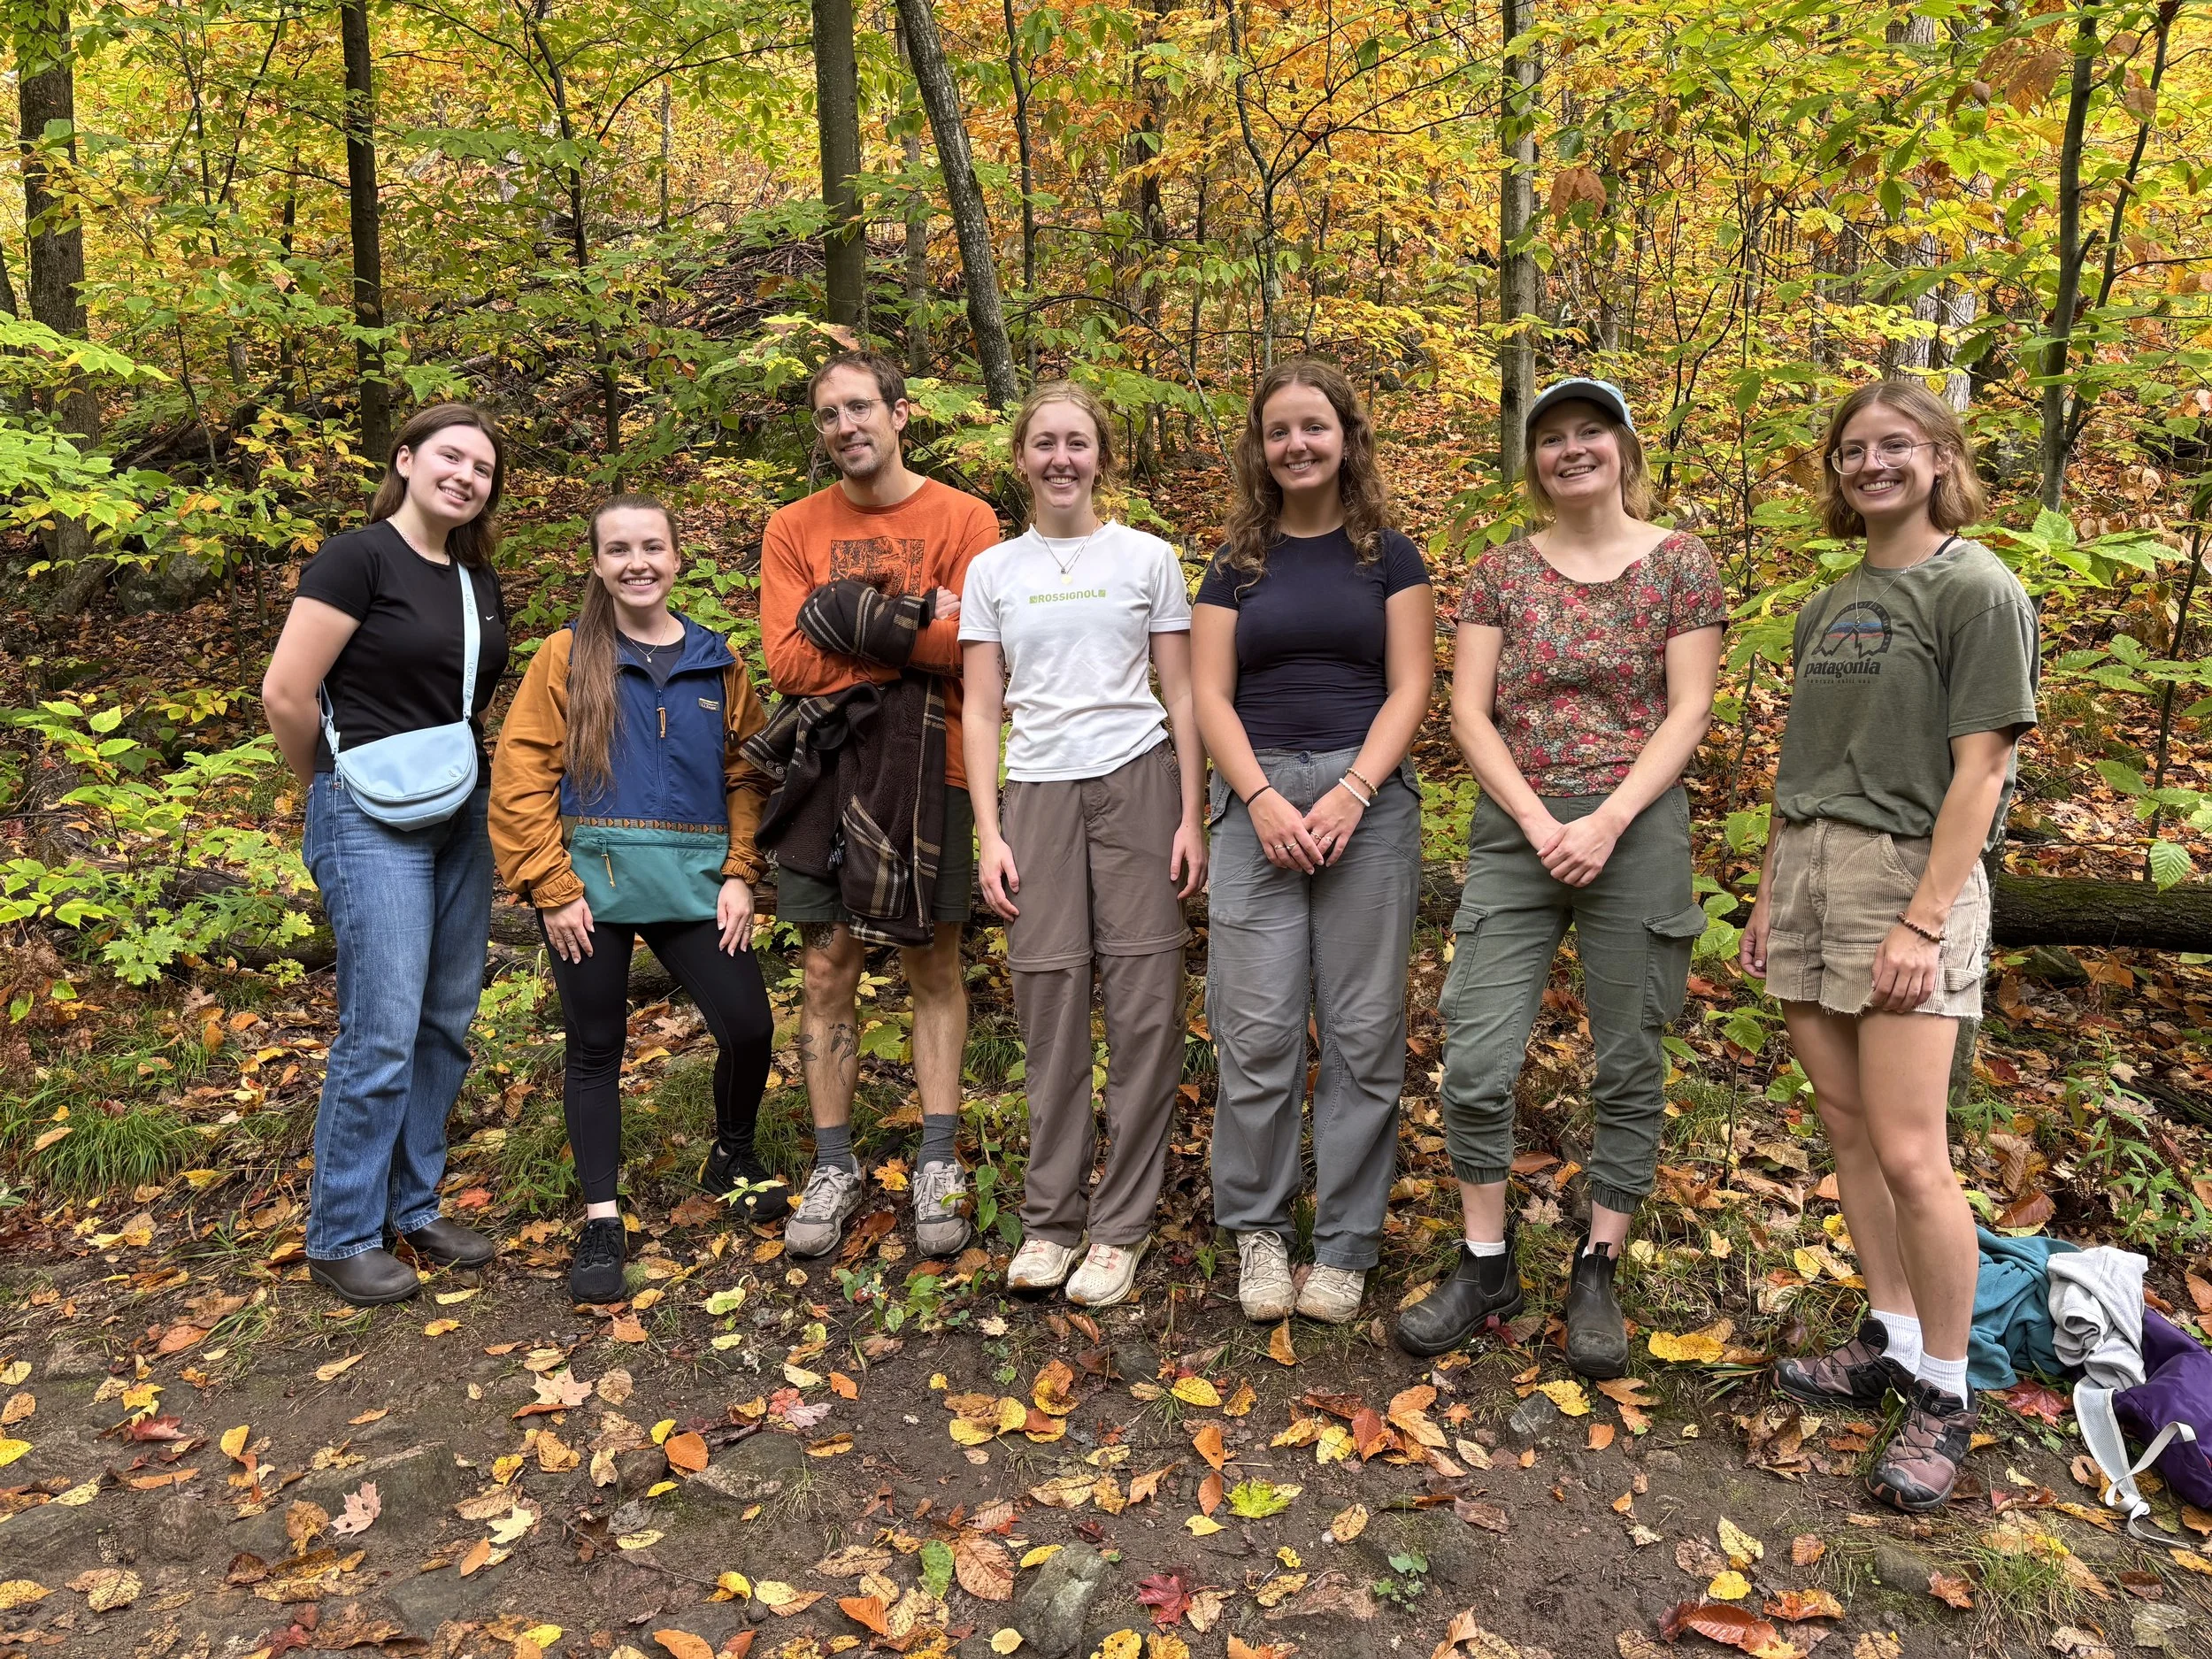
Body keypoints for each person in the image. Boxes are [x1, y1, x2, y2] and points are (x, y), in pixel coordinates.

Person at [1742, 380, 2038, 1510]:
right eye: (1852, 449)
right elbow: (1800, 765)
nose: (1870, 465)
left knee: (1915, 1152)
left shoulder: (1976, 587)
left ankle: (1947, 1394)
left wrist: (1923, 916)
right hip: (1810, 872)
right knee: (1848, 1131)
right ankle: (1893, 1340)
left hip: (1907, 878)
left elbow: (1984, 769)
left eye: (1894, 447)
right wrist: (1772, 893)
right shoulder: (1832, 604)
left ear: (1937, 459)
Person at [1393, 379, 1724, 1378]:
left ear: (1623, 448)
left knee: (1630, 1057)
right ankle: (1487, 1261)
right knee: (1476, 1056)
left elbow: (1689, 710)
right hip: (1517, 832)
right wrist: (1542, 823)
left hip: (1639, 830)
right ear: (1532, 462)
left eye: (1589, 433)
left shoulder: (1679, 563)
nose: (1570, 450)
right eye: (1551, 439)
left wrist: (1609, 819)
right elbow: (1466, 712)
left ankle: (1598, 1263)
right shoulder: (1499, 575)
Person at [489, 495, 782, 1303]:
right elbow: (521, 778)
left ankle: (732, 1151)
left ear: (678, 556)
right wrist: (550, 887)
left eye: (652, 546)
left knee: (749, 1025)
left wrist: (738, 871)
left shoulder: (719, 662)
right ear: (597, 563)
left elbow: (747, 772)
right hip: (590, 887)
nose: (637, 562)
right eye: (618, 549)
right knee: (595, 1046)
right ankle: (601, 1218)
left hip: (695, 884)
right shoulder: (566, 656)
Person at [1193, 359, 1434, 1325]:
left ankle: (1342, 1243)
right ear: (1260, 446)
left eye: (1314, 427)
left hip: (1364, 803)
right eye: (1278, 430)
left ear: (1346, 438)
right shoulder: (1232, 564)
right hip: (1253, 802)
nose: (1296, 445)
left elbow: (1411, 685)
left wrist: (1352, 791)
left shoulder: (1390, 557)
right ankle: (1257, 1230)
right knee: (1254, 1032)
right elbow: (1206, 692)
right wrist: (1253, 796)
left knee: (1364, 1032)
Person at [960, 382, 1206, 1308]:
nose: (1061, 459)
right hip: (1038, 793)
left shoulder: (1147, 558)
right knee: (1049, 1002)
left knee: (1144, 1005)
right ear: (1020, 459)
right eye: (1043, 444)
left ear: (1102, 456)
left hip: (1138, 780)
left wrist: (1190, 812)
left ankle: (1120, 1229)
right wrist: (989, 831)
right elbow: (983, 708)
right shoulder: (995, 571)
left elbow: (1180, 694)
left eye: (1077, 443)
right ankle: (1052, 1218)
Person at [261, 403, 511, 1306]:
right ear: (405, 459)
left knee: (445, 1019)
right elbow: (286, 691)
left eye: (481, 468)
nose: (465, 475)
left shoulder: (478, 580)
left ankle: (414, 1206)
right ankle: (340, 1233)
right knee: (379, 1030)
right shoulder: (356, 557)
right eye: (450, 455)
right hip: (366, 814)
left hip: (460, 810)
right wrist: (325, 785)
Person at [757, 350, 1000, 1260]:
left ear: (900, 414)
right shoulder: (793, 526)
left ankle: (938, 1156)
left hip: (933, 767)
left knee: (933, 964)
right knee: (827, 967)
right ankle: (833, 1162)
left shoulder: (964, 517)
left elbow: (975, 646)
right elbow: (787, 664)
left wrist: (844, 613)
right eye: (828, 415)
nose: (846, 426)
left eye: (861, 407)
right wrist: (911, 618)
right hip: (824, 767)